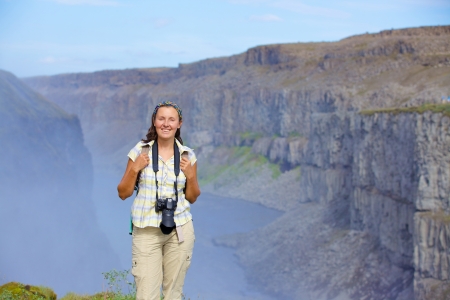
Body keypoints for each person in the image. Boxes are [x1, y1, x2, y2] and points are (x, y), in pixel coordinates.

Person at [117, 101, 201, 300]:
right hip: (146, 230)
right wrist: (135, 169)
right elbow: (122, 192)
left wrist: (190, 175)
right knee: (146, 294)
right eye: (161, 118)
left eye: (171, 119)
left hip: (179, 229)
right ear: (154, 122)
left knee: (173, 294)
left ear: (179, 123)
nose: (166, 124)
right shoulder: (140, 151)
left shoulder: (188, 155)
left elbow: (192, 197)